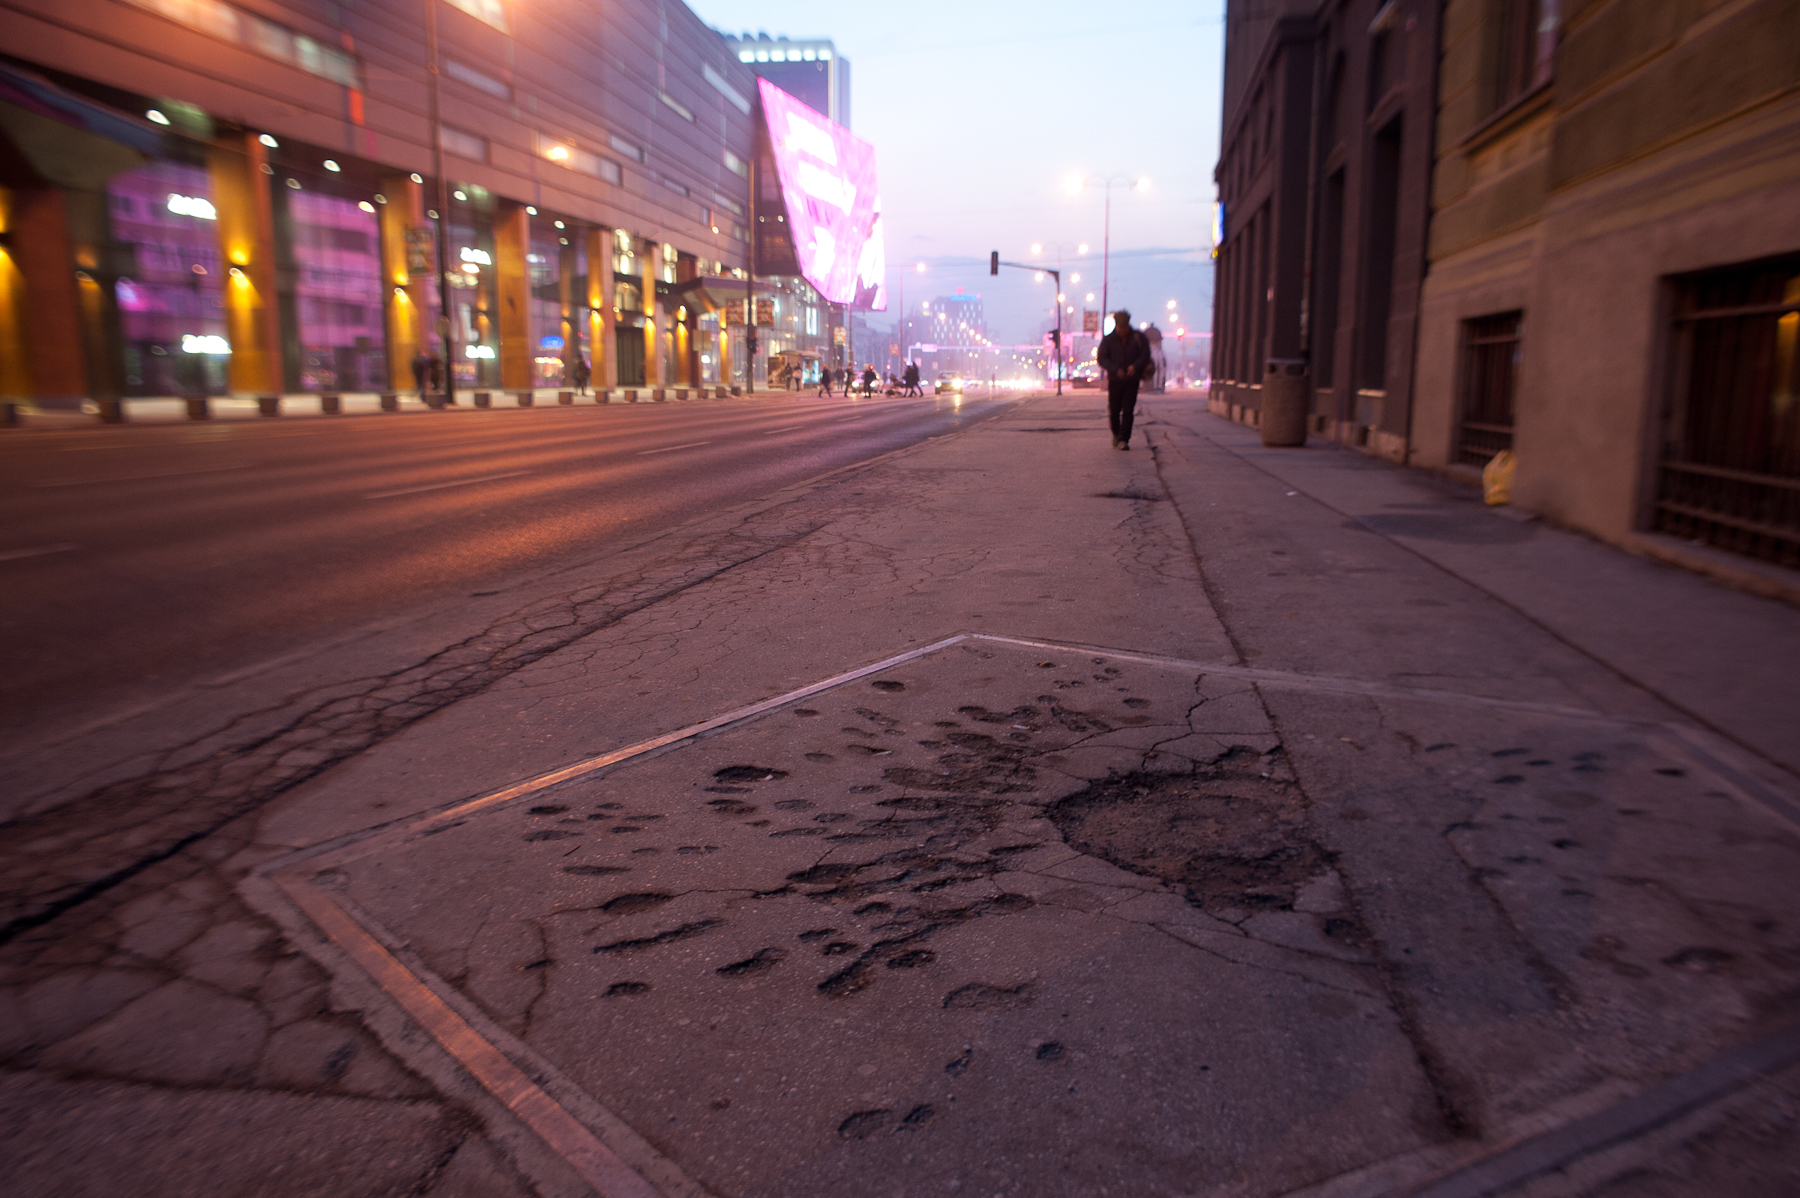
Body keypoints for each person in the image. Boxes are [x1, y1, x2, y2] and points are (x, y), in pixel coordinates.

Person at [1096, 310, 1150, 450]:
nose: (1122, 331)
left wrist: (1135, 366)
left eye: (1124, 327)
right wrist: (1114, 369)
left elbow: (1145, 355)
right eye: (1120, 328)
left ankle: (1124, 439)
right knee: (1114, 410)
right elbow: (1102, 359)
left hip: (1132, 380)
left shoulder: (1138, 338)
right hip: (1115, 380)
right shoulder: (1108, 340)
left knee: (1128, 410)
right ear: (1116, 326)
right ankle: (1115, 433)